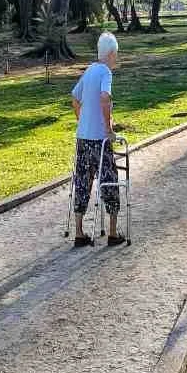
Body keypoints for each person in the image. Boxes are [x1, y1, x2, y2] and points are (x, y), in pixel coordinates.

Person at [70, 32, 125, 248]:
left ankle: (79, 232)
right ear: (111, 54)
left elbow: (75, 98)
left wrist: (82, 120)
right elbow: (105, 98)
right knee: (109, 179)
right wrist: (108, 128)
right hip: (99, 140)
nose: (116, 58)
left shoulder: (90, 70)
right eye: (116, 54)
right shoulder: (105, 73)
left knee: (83, 181)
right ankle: (112, 232)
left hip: (83, 137)